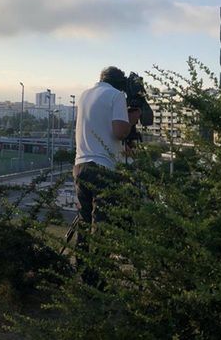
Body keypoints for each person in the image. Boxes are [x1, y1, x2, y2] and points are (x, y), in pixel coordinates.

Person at [73, 66, 141, 286]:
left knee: (85, 222)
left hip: (81, 165)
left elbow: (103, 131)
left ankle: (83, 270)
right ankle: (97, 280)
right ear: (118, 83)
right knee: (101, 225)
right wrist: (133, 118)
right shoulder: (116, 95)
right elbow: (119, 131)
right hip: (102, 168)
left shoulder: (85, 95)